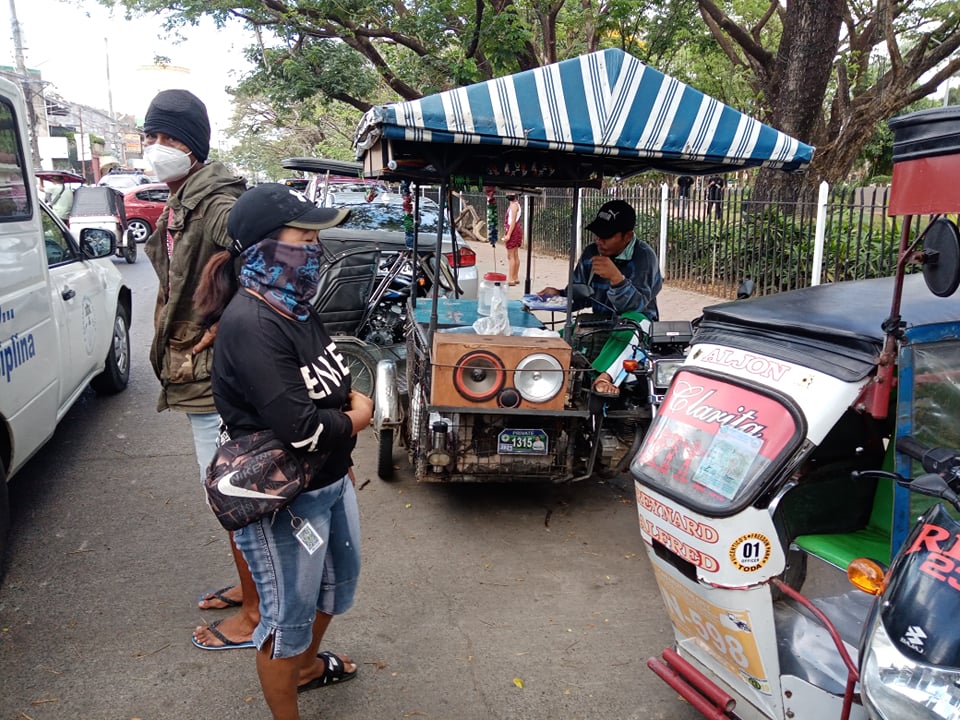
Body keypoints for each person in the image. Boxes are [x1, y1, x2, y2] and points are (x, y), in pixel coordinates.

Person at [194, 183, 371, 719]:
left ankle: (307, 668)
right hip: (286, 501)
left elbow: (328, 384)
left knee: (337, 586)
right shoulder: (252, 323)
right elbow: (299, 428)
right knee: (285, 619)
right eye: (304, 236)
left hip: (330, 480)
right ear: (267, 247)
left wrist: (344, 419)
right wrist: (359, 415)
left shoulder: (295, 307)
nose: (315, 247)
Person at [140, 89, 255, 649]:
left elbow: (270, 258)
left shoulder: (215, 203)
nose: (157, 149)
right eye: (152, 137)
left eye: (170, 139)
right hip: (194, 372)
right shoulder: (181, 197)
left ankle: (256, 614)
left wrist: (228, 327)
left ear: (195, 147)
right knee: (225, 491)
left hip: (216, 381)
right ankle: (247, 584)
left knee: (233, 494)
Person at [537, 199, 663, 397]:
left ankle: (604, 377)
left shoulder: (644, 257)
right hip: (599, 323)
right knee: (547, 340)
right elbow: (581, 296)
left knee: (635, 324)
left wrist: (616, 279)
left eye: (606, 236)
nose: (598, 240)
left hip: (636, 328)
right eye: (597, 234)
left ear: (627, 236)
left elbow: (636, 306)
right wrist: (560, 295)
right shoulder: (591, 253)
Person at [503, 193, 522, 285]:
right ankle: (515, 277)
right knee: (515, 255)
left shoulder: (514, 206)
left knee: (511, 256)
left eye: (510, 192)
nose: (508, 194)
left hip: (513, 229)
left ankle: (511, 279)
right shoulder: (515, 204)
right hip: (515, 229)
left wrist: (508, 235)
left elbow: (513, 221)